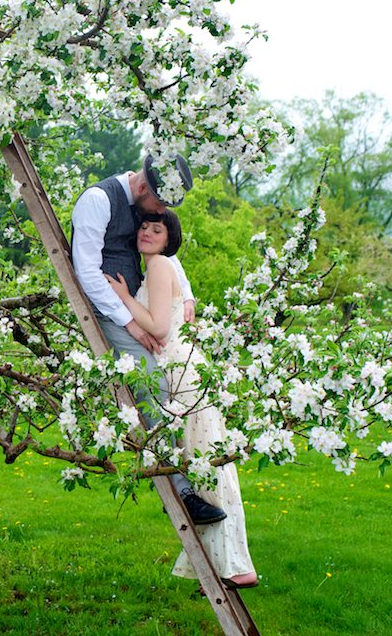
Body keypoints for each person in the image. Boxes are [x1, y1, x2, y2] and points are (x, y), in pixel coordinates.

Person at [106, 209, 258, 590]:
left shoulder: (158, 266)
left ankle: (237, 566)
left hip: (181, 374)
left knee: (208, 470)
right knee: (207, 467)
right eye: (143, 226)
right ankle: (229, 564)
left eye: (156, 230)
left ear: (168, 238)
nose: (146, 233)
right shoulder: (159, 266)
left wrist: (123, 297)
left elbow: (158, 326)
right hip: (181, 369)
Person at [70, 154, 225, 526]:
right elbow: (86, 271)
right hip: (105, 309)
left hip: (132, 308)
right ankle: (182, 493)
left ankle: (187, 476)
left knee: (172, 384)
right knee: (151, 383)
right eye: (159, 204)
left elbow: (164, 245)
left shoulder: (140, 203)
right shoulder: (99, 200)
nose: (158, 212)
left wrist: (185, 293)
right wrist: (130, 322)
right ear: (144, 188)